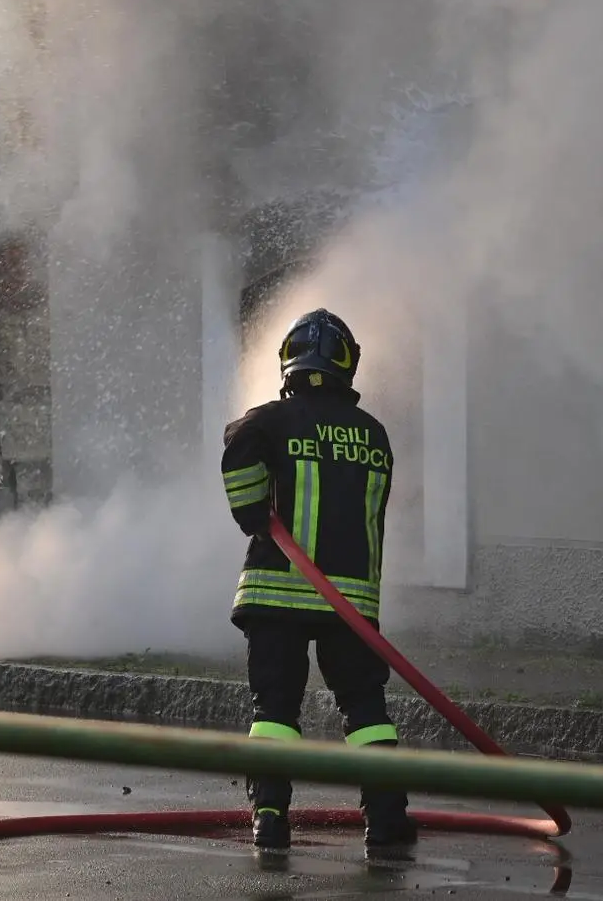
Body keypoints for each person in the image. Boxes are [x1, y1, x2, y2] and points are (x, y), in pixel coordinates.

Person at [219, 308, 417, 854]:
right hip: (349, 605)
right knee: (365, 709)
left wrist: (252, 512)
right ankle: (385, 819)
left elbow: (236, 445)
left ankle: (269, 818)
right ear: (347, 365)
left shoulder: (270, 422)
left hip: (275, 594)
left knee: (276, 710)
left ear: (288, 360)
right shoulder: (373, 434)